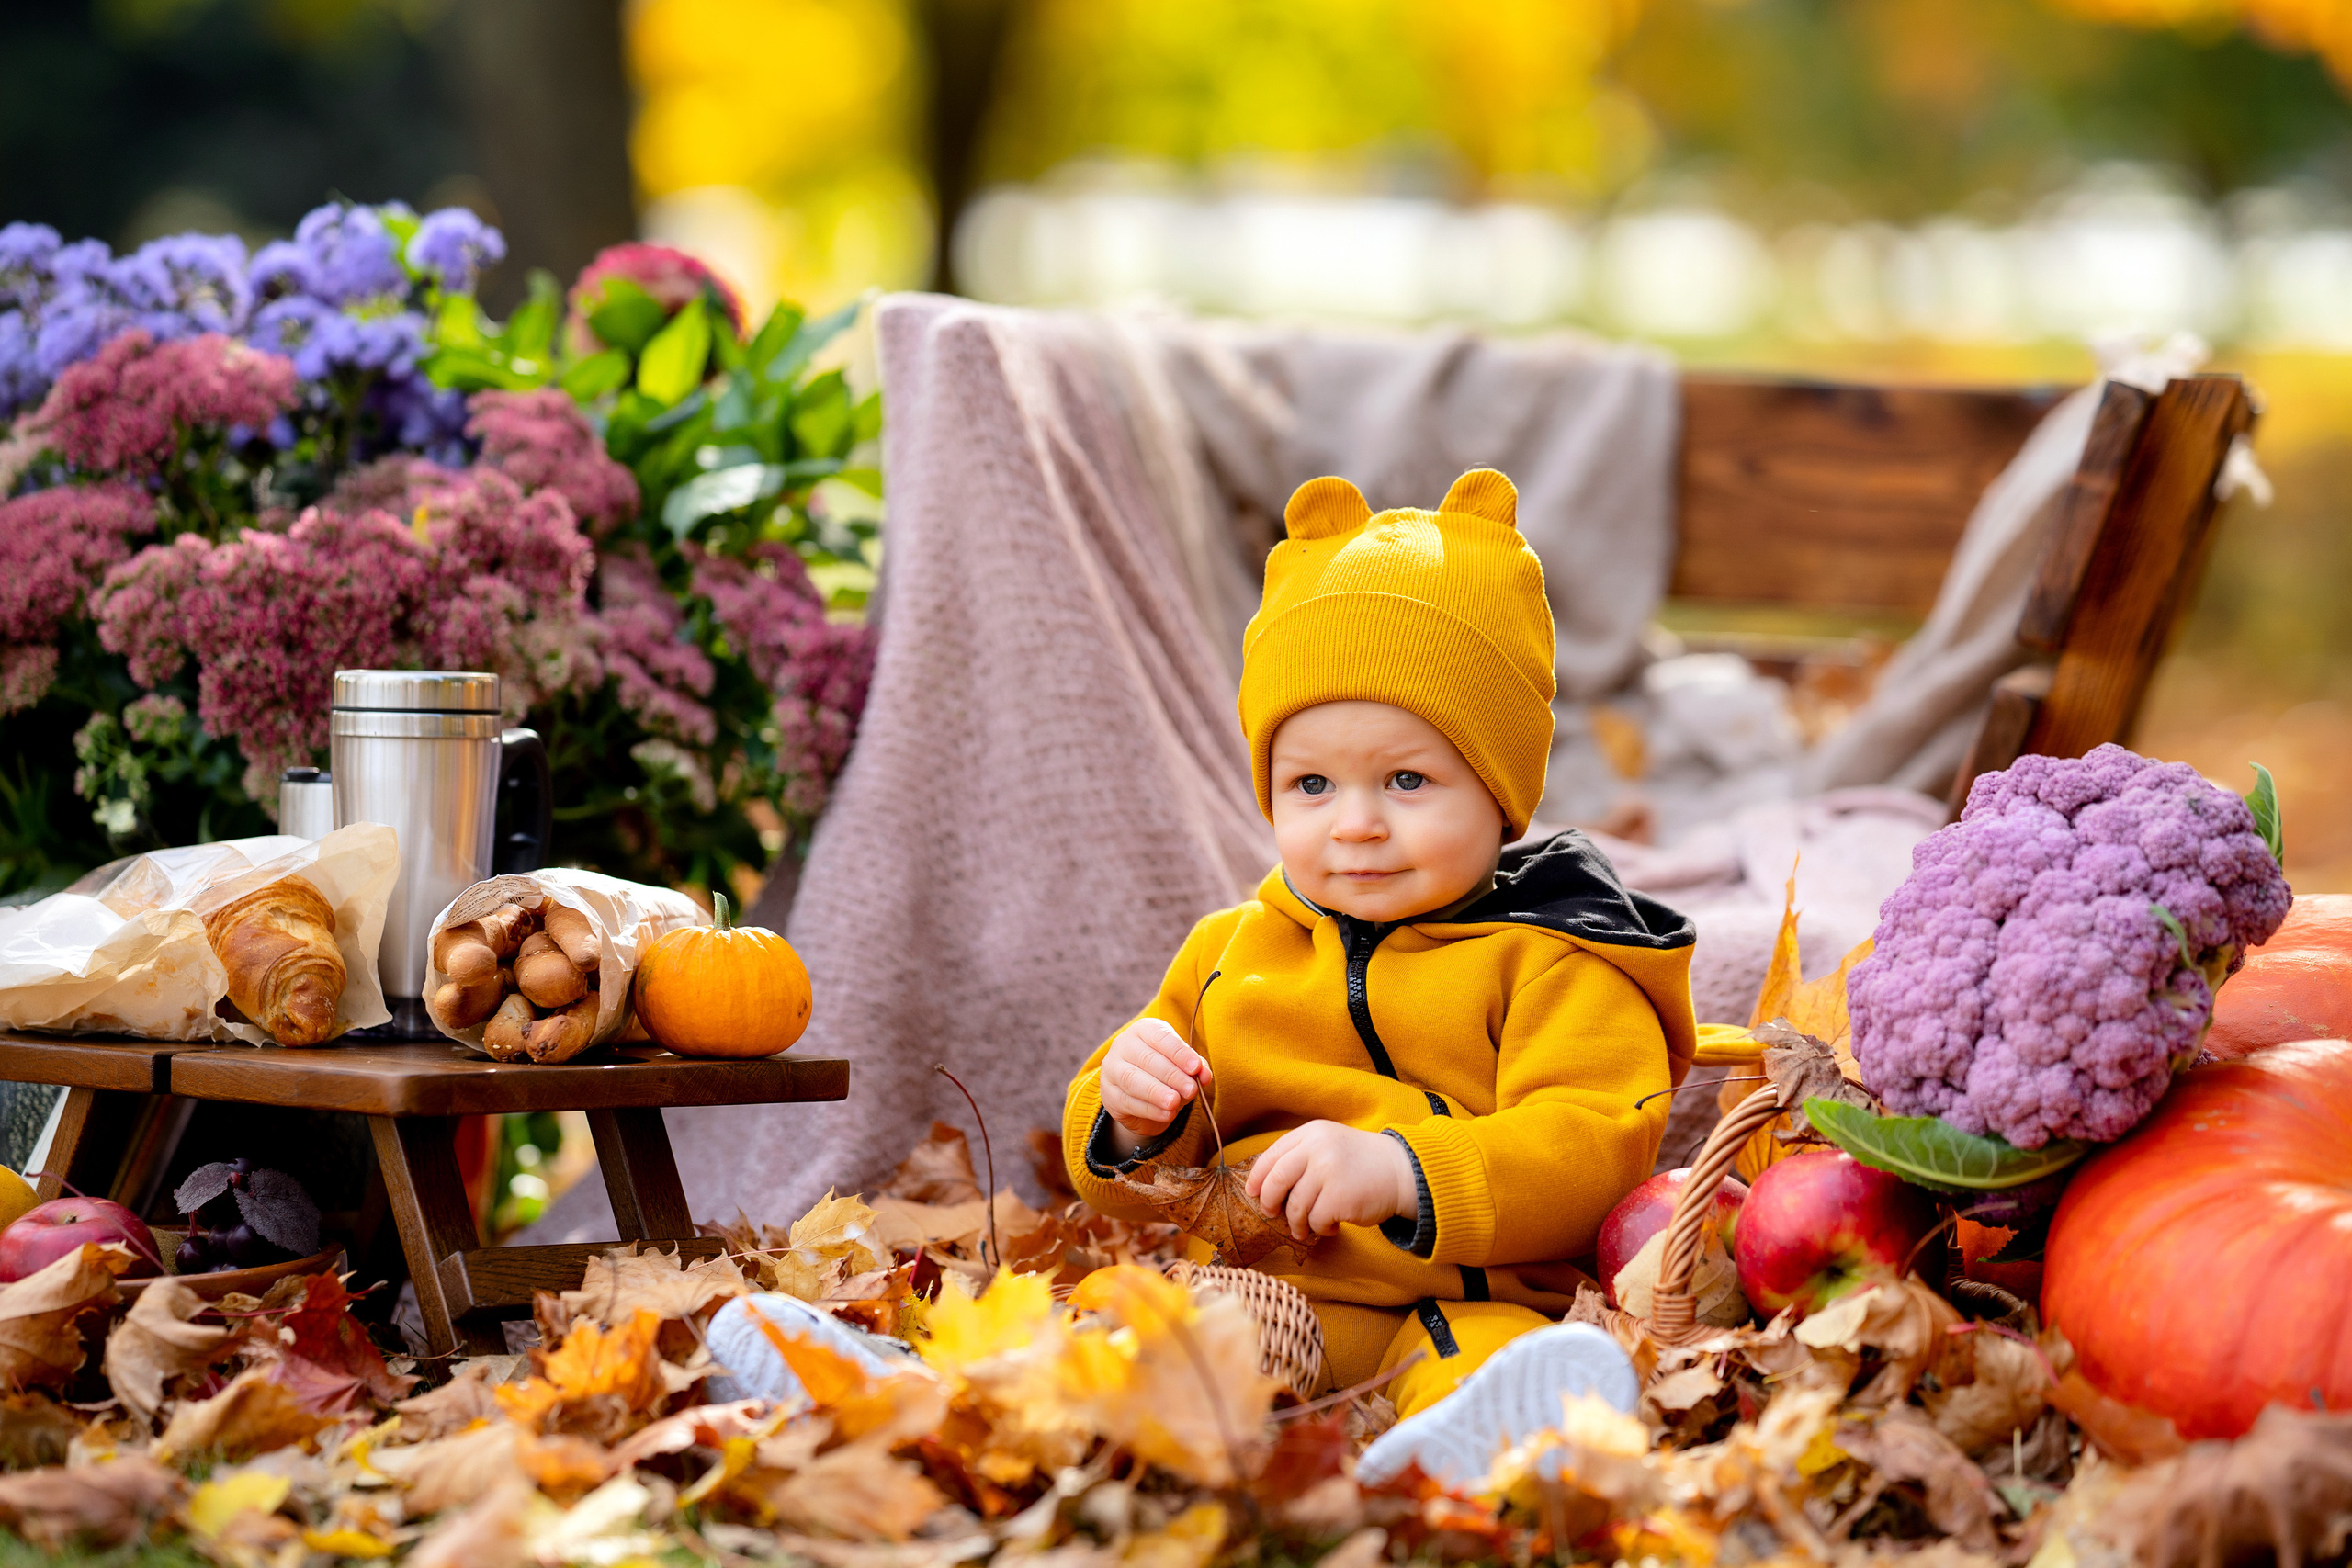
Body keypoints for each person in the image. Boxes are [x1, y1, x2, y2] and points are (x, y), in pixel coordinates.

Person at [1061, 468, 1698, 1485]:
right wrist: (1127, 1113)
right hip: (1265, 1295)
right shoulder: (1231, 949)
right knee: (1127, 1327)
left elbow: (1593, 1144)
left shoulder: (1555, 957)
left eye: (1407, 780)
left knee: (1493, 1362)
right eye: (1310, 784)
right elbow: (1126, 1177)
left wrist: (1402, 1170)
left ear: (1498, 795)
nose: (1354, 822)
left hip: (1453, 1306)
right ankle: (937, 1393)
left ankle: (1462, 1459)